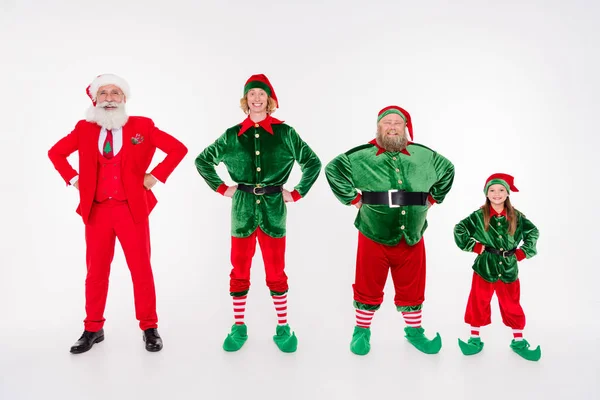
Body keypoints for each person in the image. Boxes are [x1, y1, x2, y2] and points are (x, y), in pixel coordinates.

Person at [48, 73, 188, 353]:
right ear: (95, 99)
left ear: (124, 99)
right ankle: (92, 328)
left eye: (115, 93)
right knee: (96, 271)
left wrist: (155, 176)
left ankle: (149, 327)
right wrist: (75, 180)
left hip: (131, 210)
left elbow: (177, 149)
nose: (110, 98)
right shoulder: (83, 128)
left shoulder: (142, 126)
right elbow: (56, 153)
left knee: (141, 269)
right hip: (97, 211)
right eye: (104, 93)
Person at [194, 74, 321, 353]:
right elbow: (202, 160)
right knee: (239, 269)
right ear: (245, 100)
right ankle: (239, 326)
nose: (256, 98)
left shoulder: (286, 134)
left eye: (261, 94)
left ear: (269, 100)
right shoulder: (231, 135)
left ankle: (283, 326)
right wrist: (220, 187)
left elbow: (312, 162)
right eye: (251, 94)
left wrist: (297, 192)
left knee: (276, 270)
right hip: (242, 209)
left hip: (275, 208)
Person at [325, 105, 454, 356]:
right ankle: (361, 331)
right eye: (387, 123)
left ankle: (415, 332)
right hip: (374, 231)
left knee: (413, 285)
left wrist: (433, 199)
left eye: (398, 123)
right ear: (378, 127)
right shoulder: (362, 156)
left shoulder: (423, 155)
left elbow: (448, 169)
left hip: (413, 235)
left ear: (406, 127)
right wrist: (353, 199)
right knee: (368, 282)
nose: (392, 127)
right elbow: (333, 169)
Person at [454, 173, 541, 361]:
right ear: (486, 193)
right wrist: (475, 247)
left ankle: (518, 341)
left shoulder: (516, 216)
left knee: (512, 304)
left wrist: (523, 252)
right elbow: (459, 229)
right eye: (492, 190)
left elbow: (533, 231)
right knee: (478, 301)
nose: (497, 194)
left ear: (507, 193)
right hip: (485, 267)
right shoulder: (479, 216)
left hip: (509, 269)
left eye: (501, 190)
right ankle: (474, 339)